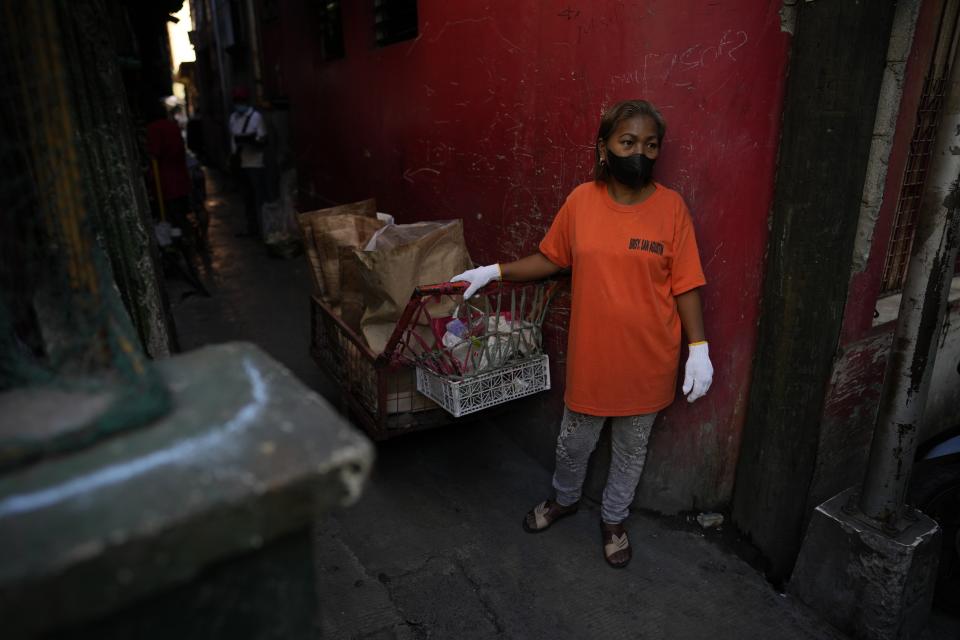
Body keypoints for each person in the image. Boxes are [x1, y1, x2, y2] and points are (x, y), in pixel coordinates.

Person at [452, 99, 713, 569]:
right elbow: (552, 259)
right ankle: (565, 498)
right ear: (604, 146)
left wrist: (699, 349)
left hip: (650, 360)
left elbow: (687, 284)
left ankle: (614, 519)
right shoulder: (581, 202)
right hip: (594, 358)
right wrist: (494, 272)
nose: (639, 153)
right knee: (574, 442)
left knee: (632, 451)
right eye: (627, 142)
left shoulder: (672, 209)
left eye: (650, 145)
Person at [228, 86, 268, 237]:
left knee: (259, 197)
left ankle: (264, 229)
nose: (239, 104)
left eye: (241, 101)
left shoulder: (256, 117)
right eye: (237, 101)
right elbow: (233, 140)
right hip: (241, 163)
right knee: (247, 198)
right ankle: (253, 228)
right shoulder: (233, 118)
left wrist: (252, 142)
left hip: (255, 163)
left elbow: (262, 139)